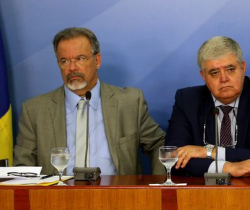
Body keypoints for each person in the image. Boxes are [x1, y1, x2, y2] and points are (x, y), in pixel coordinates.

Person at [14, 27, 165, 175]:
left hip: (116, 190)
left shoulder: (130, 102)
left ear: (97, 61)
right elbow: (22, 168)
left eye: (80, 59)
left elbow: (159, 144)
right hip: (58, 191)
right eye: (64, 61)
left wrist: (161, 184)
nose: (72, 68)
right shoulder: (34, 111)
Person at [166, 36, 250, 178]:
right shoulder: (187, 100)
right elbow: (173, 158)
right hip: (202, 189)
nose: (224, 79)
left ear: (243, 67)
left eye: (230, 69)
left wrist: (208, 152)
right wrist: (227, 167)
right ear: (203, 76)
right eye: (214, 73)